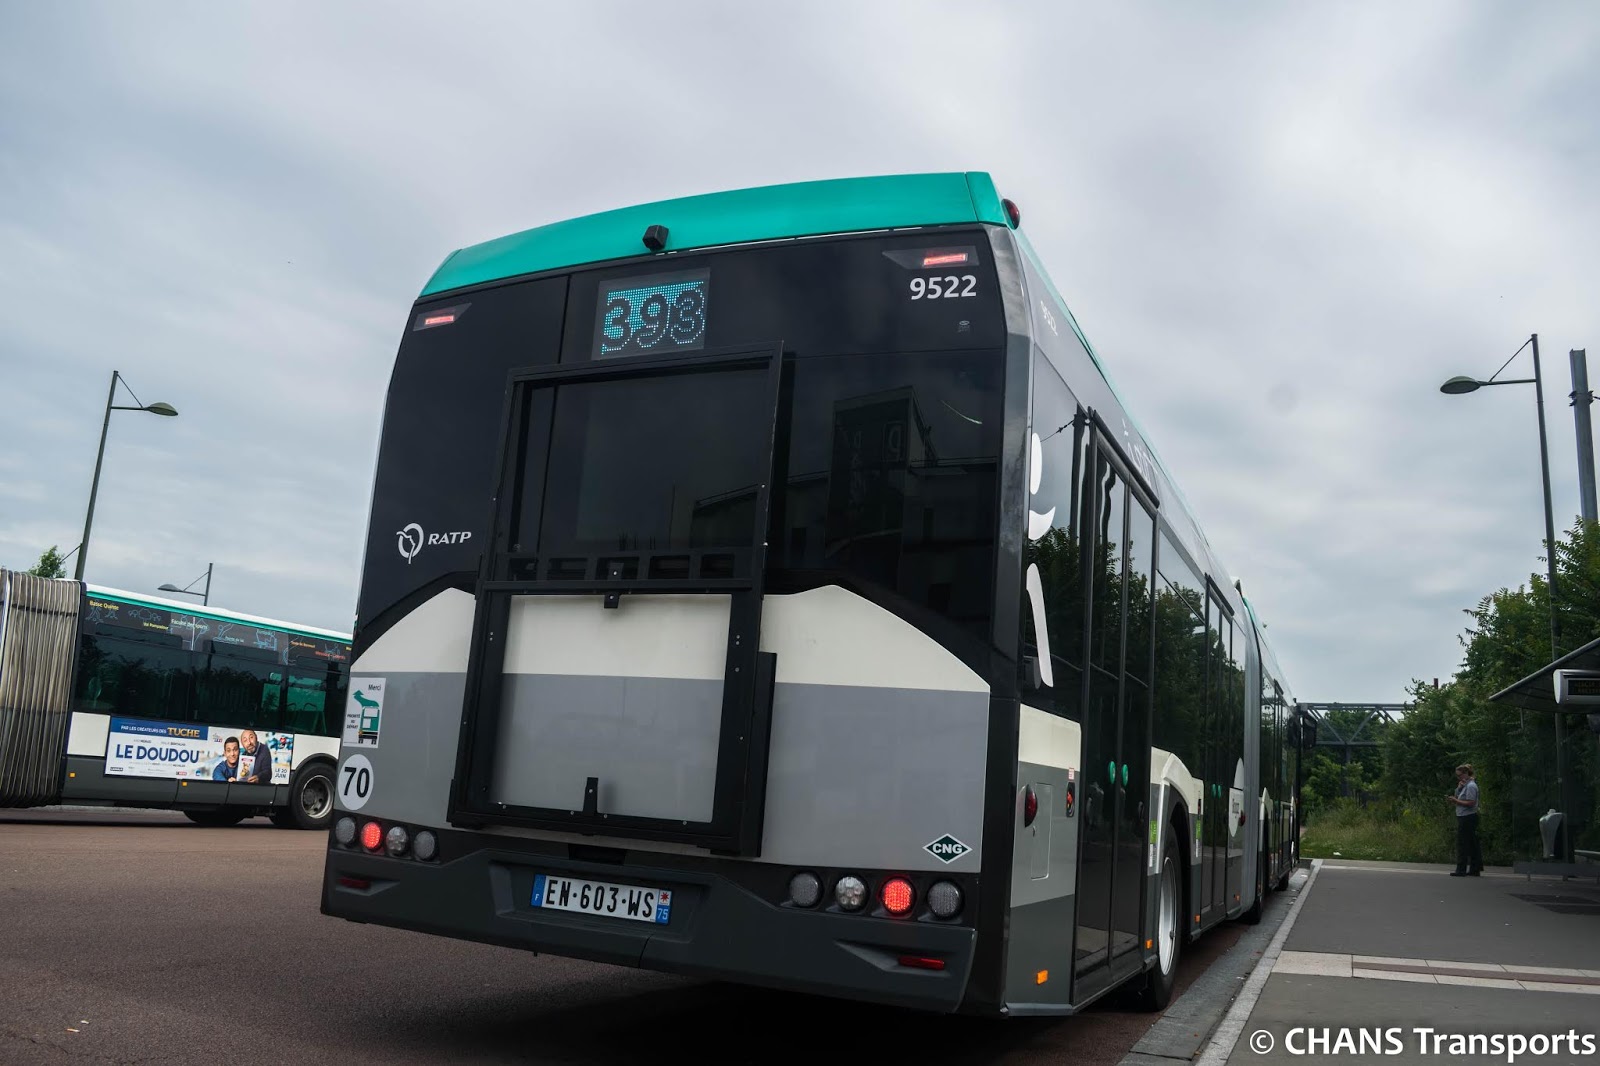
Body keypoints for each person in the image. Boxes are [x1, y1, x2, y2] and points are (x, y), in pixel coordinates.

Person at [1448, 763, 1483, 876]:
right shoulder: (1465, 785)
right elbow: (1460, 796)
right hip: (1465, 816)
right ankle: (1474, 868)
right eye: (1457, 776)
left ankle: (1461, 869)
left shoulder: (1471, 786)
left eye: (1460, 775)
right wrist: (1459, 788)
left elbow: (1471, 802)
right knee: (1471, 843)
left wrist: (1456, 801)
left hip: (1468, 817)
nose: (1459, 778)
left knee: (1463, 844)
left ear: (1466, 773)